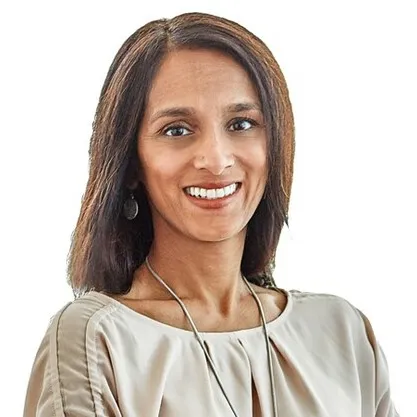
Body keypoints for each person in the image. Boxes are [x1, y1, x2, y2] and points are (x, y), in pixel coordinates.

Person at [23, 11, 399, 417]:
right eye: (177, 130)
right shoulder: (96, 340)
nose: (216, 160)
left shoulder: (342, 332)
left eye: (241, 123)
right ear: (131, 163)